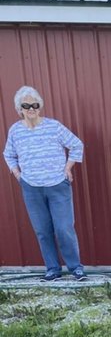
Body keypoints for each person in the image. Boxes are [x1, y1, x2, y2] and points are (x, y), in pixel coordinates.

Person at [3, 85, 87, 281]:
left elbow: (76, 144)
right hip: (31, 188)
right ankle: (53, 269)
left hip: (58, 185)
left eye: (35, 104)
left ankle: (76, 268)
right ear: (19, 109)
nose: (31, 108)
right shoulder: (15, 131)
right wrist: (17, 174)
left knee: (64, 228)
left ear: (40, 106)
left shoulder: (54, 126)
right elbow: (8, 154)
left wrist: (68, 168)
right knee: (42, 230)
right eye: (26, 105)